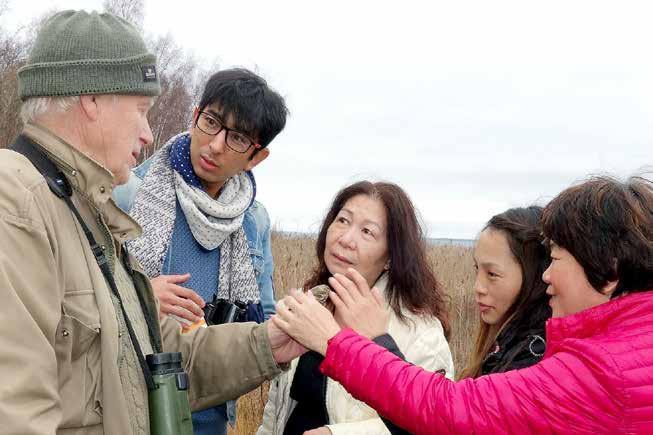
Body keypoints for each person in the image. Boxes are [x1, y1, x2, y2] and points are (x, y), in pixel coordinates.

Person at [0, 10, 302, 434]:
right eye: (142, 110)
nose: (147, 133)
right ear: (92, 100)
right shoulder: (16, 202)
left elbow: (167, 355)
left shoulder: (87, 212)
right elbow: (16, 410)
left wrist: (270, 342)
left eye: (236, 138)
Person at [273, 175, 653, 434]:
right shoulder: (627, 348)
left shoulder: (597, 372)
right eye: (341, 221)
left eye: (556, 258)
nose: (547, 276)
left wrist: (341, 343)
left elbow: (446, 411)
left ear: (609, 269)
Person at [113, 68, 286, 435]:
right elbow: (82, 298)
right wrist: (142, 295)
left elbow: (263, 320)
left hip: (212, 417)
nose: (216, 144)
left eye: (237, 138)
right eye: (210, 122)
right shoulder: (129, 194)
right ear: (195, 116)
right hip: (133, 411)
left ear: (257, 156)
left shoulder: (252, 221)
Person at [258, 181, 454, 435]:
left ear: (391, 256)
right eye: (342, 221)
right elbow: (275, 414)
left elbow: (432, 425)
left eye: (367, 232)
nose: (346, 239)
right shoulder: (303, 306)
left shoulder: (419, 332)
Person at [458, 206, 550, 379]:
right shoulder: (509, 345)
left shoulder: (531, 361)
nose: (478, 287)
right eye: (477, 269)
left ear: (533, 277)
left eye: (492, 274)